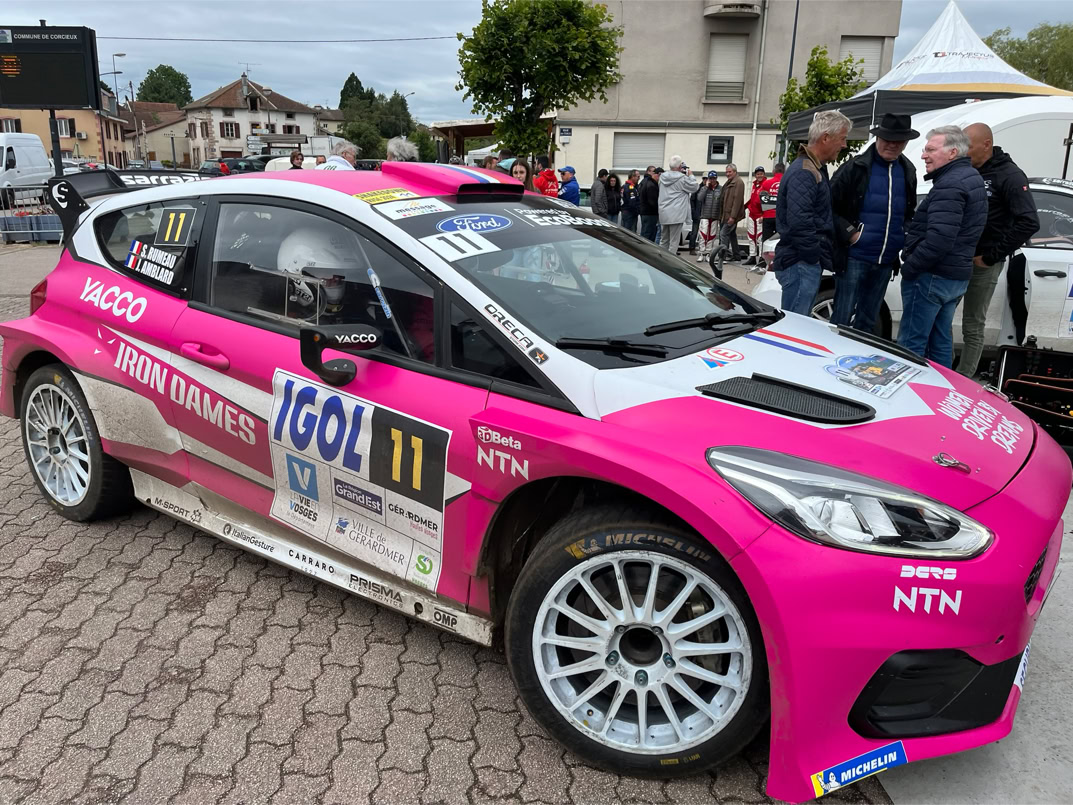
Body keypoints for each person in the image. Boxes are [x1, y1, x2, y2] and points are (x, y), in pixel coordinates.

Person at [897, 125, 988, 367]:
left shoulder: (951, 184)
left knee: (911, 345)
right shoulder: (971, 177)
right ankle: (940, 387)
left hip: (933, 275)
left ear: (952, 153)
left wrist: (911, 267)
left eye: (930, 150)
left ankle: (910, 390)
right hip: (954, 275)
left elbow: (940, 239)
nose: (923, 155)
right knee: (940, 342)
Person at [958, 123, 1040, 377]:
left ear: (986, 145)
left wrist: (991, 256)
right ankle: (940, 371)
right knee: (940, 316)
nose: (964, 151)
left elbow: (1029, 222)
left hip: (982, 261)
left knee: (972, 323)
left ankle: (964, 377)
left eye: (969, 146)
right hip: (956, 258)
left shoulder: (1009, 175)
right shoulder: (966, 168)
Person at [829, 113, 919, 334]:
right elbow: (828, 207)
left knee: (868, 322)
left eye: (899, 141)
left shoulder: (908, 170)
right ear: (878, 138)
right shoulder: (855, 167)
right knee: (841, 318)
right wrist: (851, 234)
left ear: (906, 142)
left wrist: (903, 235)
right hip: (854, 257)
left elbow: (909, 212)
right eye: (888, 139)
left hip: (886, 260)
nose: (892, 145)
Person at [772, 110, 851, 315]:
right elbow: (800, 222)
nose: (844, 145)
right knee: (794, 326)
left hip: (802, 261)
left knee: (796, 323)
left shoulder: (812, 168)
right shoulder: (805, 171)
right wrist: (812, 256)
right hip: (800, 262)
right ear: (825, 138)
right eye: (842, 138)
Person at [658, 156, 699, 252]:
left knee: (663, 240)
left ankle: (661, 258)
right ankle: (670, 260)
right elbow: (694, 187)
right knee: (674, 242)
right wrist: (691, 175)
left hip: (664, 213)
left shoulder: (662, 177)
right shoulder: (682, 179)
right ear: (680, 166)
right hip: (676, 214)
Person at [758, 162, 784, 266]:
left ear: (774, 171)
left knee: (766, 239)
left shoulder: (766, 183)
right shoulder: (787, 182)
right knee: (779, 239)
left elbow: (759, 200)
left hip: (768, 215)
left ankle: (763, 262)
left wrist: (762, 213)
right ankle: (778, 261)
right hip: (781, 216)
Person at [720, 164, 746, 262]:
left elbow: (737, 201)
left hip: (731, 215)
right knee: (732, 235)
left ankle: (723, 256)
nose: (727, 174)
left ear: (735, 171)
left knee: (723, 234)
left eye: (730, 172)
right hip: (726, 214)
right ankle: (736, 255)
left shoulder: (738, 183)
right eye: (726, 172)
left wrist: (733, 216)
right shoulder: (729, 182)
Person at [695, 171, 723, 262]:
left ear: (716, 178)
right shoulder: (704, 188)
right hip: (705, 215)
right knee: (703, 235)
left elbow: (722, 202)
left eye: (714, 178)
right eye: (710, 178)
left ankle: (708, 253)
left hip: (715, 216)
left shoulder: (721, 189)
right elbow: (699, 198)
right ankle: (701, 253)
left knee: (712, 236)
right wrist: (706, 187)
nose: (712, 180)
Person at [743, 166, 767, 266]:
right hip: (752, 214)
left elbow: (767, 202)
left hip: (760, 215)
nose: (759, 176)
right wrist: (744, 207)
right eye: (758, 174)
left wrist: (764, 215)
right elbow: (752, 199)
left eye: (761, 174)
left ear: (764, 174)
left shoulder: (766, 185)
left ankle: (762, 258)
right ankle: (752, 256)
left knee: (760, 238)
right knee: (751, 236)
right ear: (755, 175)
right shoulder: (754, 185)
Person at [639, 165, 660, 242]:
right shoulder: (651, 185)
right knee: (648, 235)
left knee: (647, 233)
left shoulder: (646, 182)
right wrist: (658, 209)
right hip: (649, 213)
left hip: (646, 212)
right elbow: (652, 201)